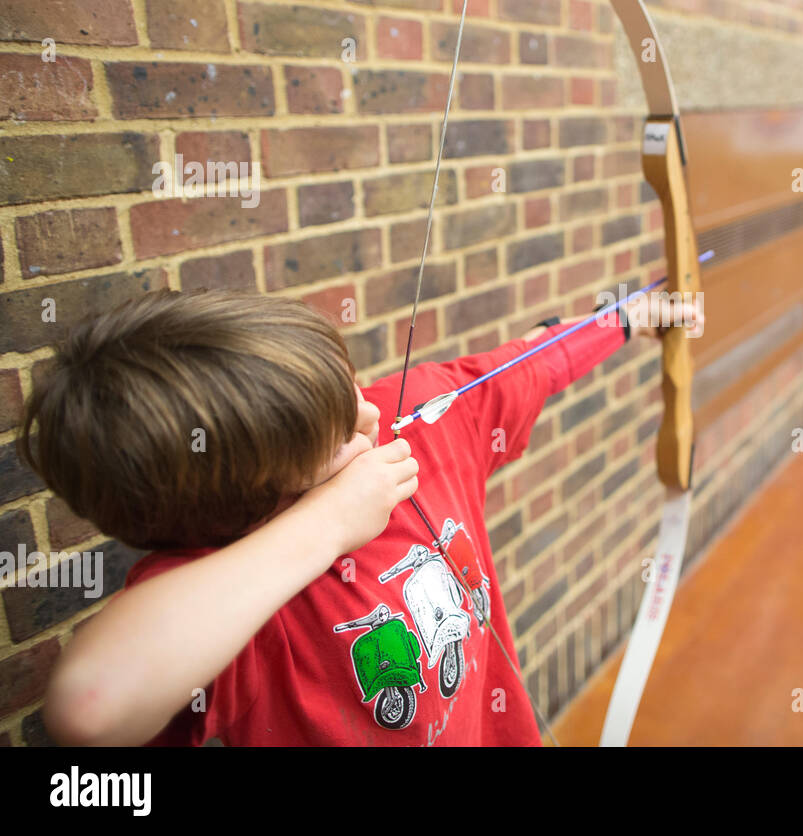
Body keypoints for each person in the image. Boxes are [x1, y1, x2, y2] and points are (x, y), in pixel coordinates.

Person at [20, 286, 701, 746]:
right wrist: (329, 523)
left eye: (347, 388)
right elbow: (90, 706)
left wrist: (630, 314)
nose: (373, 414)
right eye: (339, 428)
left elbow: (526, 363)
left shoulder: (412, 419)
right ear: (250, 492)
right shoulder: (231, 600)